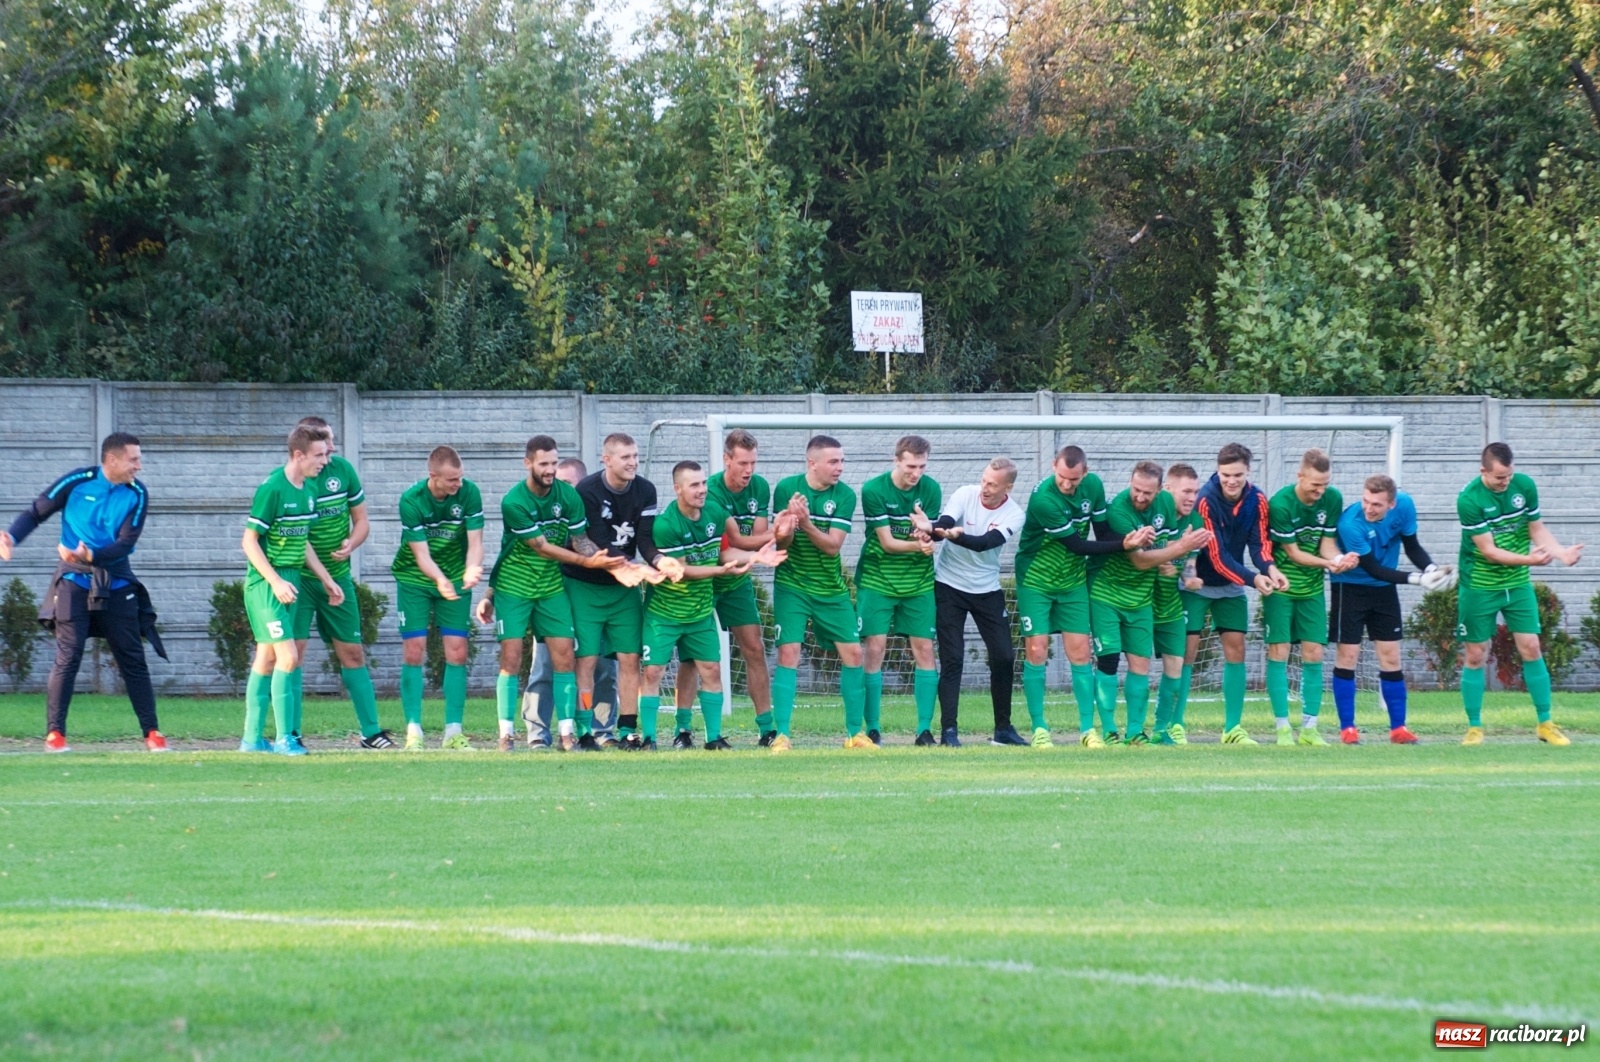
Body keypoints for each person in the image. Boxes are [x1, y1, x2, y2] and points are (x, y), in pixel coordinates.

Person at [0, 432, 166, 752]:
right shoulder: (78, 481)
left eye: (139, 459)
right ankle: (55, 735)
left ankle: (152, 734)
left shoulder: (138, 494)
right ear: (112, 459)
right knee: (69, 655)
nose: (139, 466)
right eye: (134, 459)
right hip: (74, 581)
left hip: (117, 581)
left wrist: (89, 554)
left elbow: (125, 543)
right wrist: (11, 537)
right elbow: (37, 511)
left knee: (132, 659)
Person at [477, 437, 626, 752]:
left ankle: (567, 734)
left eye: (553, 463)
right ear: (528, 463)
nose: (550, 470)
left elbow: (580, 539)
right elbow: (543, 548)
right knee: (512, 659)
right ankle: (507, 734)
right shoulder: (513, 502)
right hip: (514, 588)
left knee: (564, 656)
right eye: (543, 464)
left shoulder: (568, 496)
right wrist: (588, 560)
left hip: (551, 588)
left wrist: (608, 561)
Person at [639, 461, 784, 749]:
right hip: (665, 613)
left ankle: (713, 738)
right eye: (694, 485)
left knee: (711, 669)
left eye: (704, 483)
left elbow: (727, 549)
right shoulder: (666, 524)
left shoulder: (715, 513)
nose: (702, 490)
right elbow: (680, 570)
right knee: (654, 672)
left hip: (700, 611)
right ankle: (651, 738)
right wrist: (722, 571)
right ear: (677, 489)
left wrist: (756, 558)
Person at [1014, 445, 1149, 749]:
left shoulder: (1094, 486)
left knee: (1081, 653)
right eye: (1062, 477)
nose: (1067, 484)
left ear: (1084, 473)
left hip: (1073, 581)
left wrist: (1131, 541)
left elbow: (1102, 533)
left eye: (1073, 480)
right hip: (1036, 581)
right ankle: (1039, 729)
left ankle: (1088, 730)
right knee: (1037, 649)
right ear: (1053, 467)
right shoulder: (1044, 498)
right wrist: (1126, 546)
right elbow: (1077, 545)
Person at [1456, 443, 1583, 745]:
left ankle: (1545, 724)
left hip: (1517, 583)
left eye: (1509, 476)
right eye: (1500, 478)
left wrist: (1561, 552)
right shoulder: (1469, 499)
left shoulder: (1524, 486)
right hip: (1480, 584)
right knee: (1476, 654)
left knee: (1531, 648)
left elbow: (1536, 529)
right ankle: (1474, 728)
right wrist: (1531, 559)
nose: (1506, 483)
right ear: (1483, 471)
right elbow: (1489, 551)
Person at [673, 429, 791, 745]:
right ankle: (682, 729)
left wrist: (780, 531)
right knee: (691, 657)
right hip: (705, 578)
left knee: (754, 648)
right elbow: (738, 540)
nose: (748, 470)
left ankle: (767, 729)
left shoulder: (760, 487)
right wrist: (777, 534)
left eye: (753, 462)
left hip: (737, 578)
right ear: (727, 460)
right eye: (742, 462)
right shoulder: (709, 490)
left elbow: (761, 534)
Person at [239, 424, 346, 755]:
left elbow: (303, 543)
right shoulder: (273, 488)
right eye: (319, 455)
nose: (325, 461)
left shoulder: (309, 489)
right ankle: (286, 738)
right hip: (266, 584)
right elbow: (248, 542)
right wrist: (274, 580)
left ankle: (252, 740)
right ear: (298, 455)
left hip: (291, 579)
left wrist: (327, 579)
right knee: (289, 656)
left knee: (267, 658)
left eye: (327, 454)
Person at [565, 433, 676, 751]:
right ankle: (585, 731)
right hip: (584, 585)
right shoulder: (586, 490)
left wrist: (658, 560)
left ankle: (627, 732)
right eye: (625, 457)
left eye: (636, 456)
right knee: (586, 661)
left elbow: (644, 540)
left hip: (623, 589)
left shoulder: (646, 490)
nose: (633, 462)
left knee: (630, 658)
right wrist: (634, 568)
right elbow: (596, 541)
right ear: (607, 459)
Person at [1089, 461, 1212, 745]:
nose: (1141, 497)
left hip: (1140, 597)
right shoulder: (1119, 510)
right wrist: (1178, 549)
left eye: (1147, 492)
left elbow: (1163, 549)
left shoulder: (1166, 505)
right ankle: (1109, 730)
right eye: (1136, 490)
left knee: (1140, 664)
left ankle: (1136, 732)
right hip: (1108, 593)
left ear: (1160, 491)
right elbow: (1139, 559)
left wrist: (1172, 560)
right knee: (1108, 659)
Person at [290, 416, 392, 749]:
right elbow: (295, 538)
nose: (331, 449)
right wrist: (322, 575)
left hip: (339, 577)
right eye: (324, 443)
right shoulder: (295, 481)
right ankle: (290, 734)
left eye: (331, 442)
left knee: (353, 653)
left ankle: (371, 732)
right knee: (293, 655)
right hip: (300, 580)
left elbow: (362, 521)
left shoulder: (343, 471)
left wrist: (352, 542)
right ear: (305, 449)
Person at [1331, 474, 1453, 744]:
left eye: (1376, 504)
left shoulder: (1406, 506)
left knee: (1391, 658)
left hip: (1384, 591)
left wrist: (1432, 570)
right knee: (1348, 656)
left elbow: (1412, 546)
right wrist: (1420, 579)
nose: (1369, 508)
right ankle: (1347, 729)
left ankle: (1398, 728)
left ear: (1392, 504)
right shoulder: (1350, 524)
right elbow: (1373, 568)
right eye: (1365, 501)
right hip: (1349, 588)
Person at [771, 435, 867, 751]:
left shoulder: (845, 496)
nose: (840, 467)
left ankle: (855, 735)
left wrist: (807, 523)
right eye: (833, 461)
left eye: (841, 461)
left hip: (830, 587)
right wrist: (785, 530)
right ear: (812, 463)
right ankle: (781, 735)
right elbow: (781, 544)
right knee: (789, 653)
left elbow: (832, 547)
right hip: (792, 585)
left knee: (854, 654)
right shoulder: (787, 488)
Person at [1189, 442, 1288, 745]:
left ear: (1248, 471)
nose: (1231, 481)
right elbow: (1217, 557)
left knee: (1236, 651)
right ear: (1217, 471)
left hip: (1233, 586)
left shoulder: (1257, 500)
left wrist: (1270, 569)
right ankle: (1173, 726)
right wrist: (1253, 578)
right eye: (1225, 474)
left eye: (1238, 475)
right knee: (1185, 654)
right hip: (1197, 585)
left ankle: (1232, 728)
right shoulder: (1205, 500)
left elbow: (1259, 545)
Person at [521, 458, 620, 749]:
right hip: (552, 595)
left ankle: (602, 730)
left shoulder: (597, 516)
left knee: (603, 666)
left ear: (583, 487)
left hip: (592, 597)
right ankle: (538, 733)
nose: (560, 490)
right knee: (544, 664)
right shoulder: (545, 516)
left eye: (567, 483)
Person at [392, 446, 484, 750]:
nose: (458, 485)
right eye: (451, 480)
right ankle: (413, 732)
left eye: (460, 478)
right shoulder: (412, 500)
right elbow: (421, 554)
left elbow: (475, 542)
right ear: (433, 477)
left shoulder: (469, 493)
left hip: (455, 578)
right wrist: (440, 579)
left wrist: (472, 568)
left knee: (457, 652)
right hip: (415, 579)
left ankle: (453, 733)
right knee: (414, 651)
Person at [930, 457, 1025, 747]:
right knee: (953, 659)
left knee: (1004, 657)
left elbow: (986, 543)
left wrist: (954, 536)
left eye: (993, 484)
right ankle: (949, 732)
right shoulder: (964, 493)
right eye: (984, 480)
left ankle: (1003, 730)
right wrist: (934, 528)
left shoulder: (1015, 514)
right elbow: (944, 524)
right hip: (948, 586)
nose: (985, 487)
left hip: (986, 589)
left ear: (1007, 487)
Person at [1264, 448, 1354, 746]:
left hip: (1313, 588)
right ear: (1300, 476)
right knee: (1279, 652)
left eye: (1325, 484)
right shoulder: (1281, 503)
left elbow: (1327, 545)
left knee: (1315, 653)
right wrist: (1329, 564)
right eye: (1315, 484)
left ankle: (1310, 729)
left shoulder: (1332, 499)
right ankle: (1282, 728)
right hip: (1282, 586)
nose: (1320, 490)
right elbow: (1294, 553)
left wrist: (1339, 558)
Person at [859, 435, 941, 746]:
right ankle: (874, 728)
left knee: (924, 650)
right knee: (875, 649)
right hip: (878, 580)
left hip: (919, 583)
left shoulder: (931, 489)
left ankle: (924, 730)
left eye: (921, 466)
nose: (916, 473)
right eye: (910, 466)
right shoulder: (874, 490)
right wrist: (919, 543)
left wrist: (927, 531)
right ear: (896, 461)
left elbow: (927, 529)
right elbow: (888, 543)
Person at [1150, 464, 1205, 744]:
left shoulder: (1196, 521)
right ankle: (1117, 729)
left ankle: (1163, 730)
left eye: (1195, 492)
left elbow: (1189, 566)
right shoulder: (1152, 511)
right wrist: (1162, 561)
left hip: (1170, 602)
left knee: (1177, 661)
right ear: (1168, 489)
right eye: (1186, 491)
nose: (1191, 497)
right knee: (1127, 662)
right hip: (1141, 600)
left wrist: (1191, 578)